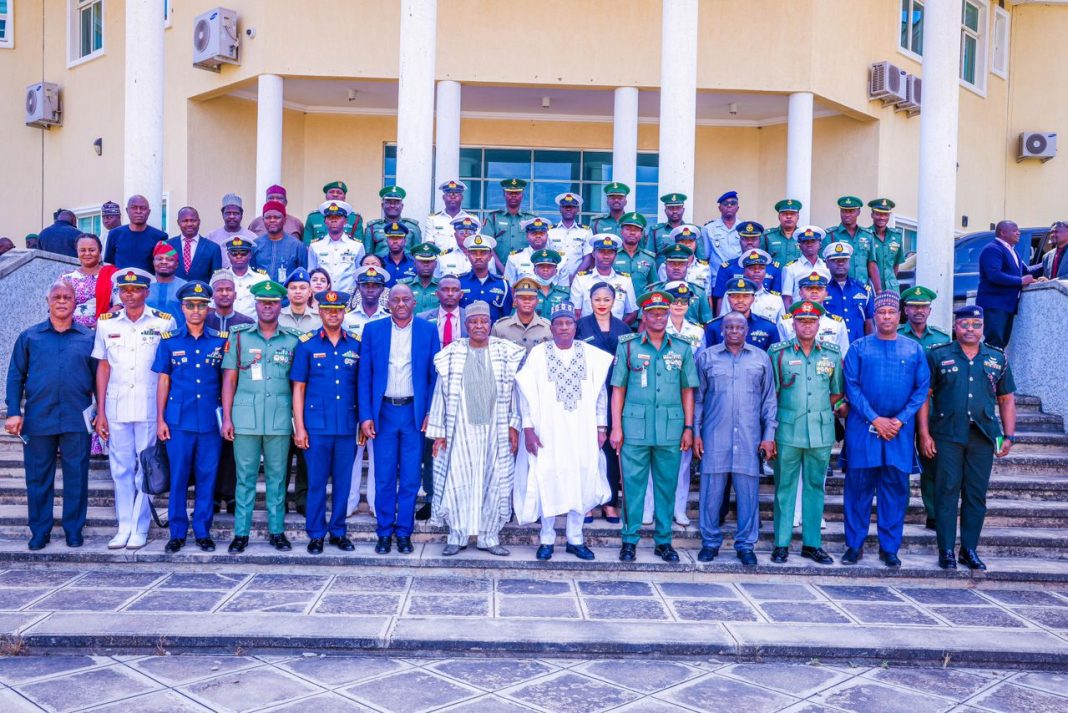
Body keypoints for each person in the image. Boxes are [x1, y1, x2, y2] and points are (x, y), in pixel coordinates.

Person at [918, 305, 1018, 571]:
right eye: (965, 325)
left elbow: (1006, 399)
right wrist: (924, 434)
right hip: (947, 434)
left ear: (983, 327)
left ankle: (969, 549)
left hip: (984, 436)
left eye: (976, 325)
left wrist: (1008, 436)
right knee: (946, 491)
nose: (970, 329)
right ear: (955, 326)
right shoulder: (938, 356)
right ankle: (947, 550)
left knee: (976, 494)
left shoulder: (997, 358)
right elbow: (924, 398)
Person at [514, 302, 613, 561]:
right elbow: (525, 393)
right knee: (548, 477)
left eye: (569, 323)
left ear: (575, 326)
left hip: (582, 431)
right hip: (547, 431)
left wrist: (601, 426)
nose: (564, 327)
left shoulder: (590, 355)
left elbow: (600, 393)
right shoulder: (538, 354)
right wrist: (528, 429)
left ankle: (575, 539)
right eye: (559, 323)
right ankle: (546, 538)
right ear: (552, 327)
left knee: (580, 479)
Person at [840, 291, 930, 568]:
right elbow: (851, 387)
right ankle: (854, 545)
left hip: (898, 432)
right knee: (858, 490)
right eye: (881, 313)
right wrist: (875, 418)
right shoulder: (858, 348)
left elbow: (921, 389)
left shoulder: (913, 349)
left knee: (895, 490)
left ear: (899, 315)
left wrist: (900, 420)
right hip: (863, 429)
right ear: (875, 316)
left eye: (891, 312)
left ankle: (889, 548)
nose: (887, 317)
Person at [6, 280, 96, 550]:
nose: (61, 301)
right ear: (47, 301)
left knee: (77, 476)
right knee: (37, 477)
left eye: (66, 297)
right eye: (56, 296)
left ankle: (73, 530)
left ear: (74, 302)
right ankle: (40, 531)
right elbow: (15, 376)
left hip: (76, 418)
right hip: (39, 417)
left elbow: (100, 379)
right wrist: (13, 412)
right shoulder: (30, 337)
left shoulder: (88, 338)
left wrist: (100, 412)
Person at [429, 301, 524, 556]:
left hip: (495, 429)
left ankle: (489, 537)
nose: (479, 326)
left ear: (490, 324)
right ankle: (457, 535)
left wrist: (514, 426)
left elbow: (515, 392)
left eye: (483, 321)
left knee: (494, 482)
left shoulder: (506, 352)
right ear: (466, 325)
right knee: (458, 480)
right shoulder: (452, 353)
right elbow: (440, 393)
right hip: (461, 430)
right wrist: (439, 432)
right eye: (474, 322)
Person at [610, 290, 698, 563]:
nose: (658, 317)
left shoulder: (682, 348)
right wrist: (616, 427)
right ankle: (629, 540)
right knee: (633, 488)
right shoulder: (628, 346)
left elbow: (688, 390)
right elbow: (618, 389)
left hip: (671, 429)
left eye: (663, 313)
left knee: (666, 486)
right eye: (653, 313)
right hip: (634, 427)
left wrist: (688, 427)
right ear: (644, 317)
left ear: (669, 314)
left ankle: (664, 541)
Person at [92, 268, 177, 550]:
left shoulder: (163, 323)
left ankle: (140, 527)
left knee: (146, 467)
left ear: (146, 292)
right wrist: (100, 410)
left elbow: (167, 370)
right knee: (120, 468)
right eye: (124, 290)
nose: (129, 295)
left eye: (135, 289)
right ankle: (123, 525)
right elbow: (103, 366)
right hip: (116, 406)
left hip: (149, 405)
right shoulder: (106, 324)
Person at [220, 280, 301, 553]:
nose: (267, 306)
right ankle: (241, 533)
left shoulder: (292, 339)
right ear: (255, 304)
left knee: (278, 478)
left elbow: (297, 384)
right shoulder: (240, 337)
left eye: (273, 302)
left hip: (279, 419)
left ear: (281, 305)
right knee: (245, 478)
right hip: (245, 418)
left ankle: (276, 531)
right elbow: (229, 380)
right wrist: (227, 418)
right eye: (263, 302)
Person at [359, 283, 440, 554]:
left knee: (409, 478)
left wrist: (430, 411)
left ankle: (404, 532)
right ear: (388, 303)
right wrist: (366, 415)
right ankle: (384, 531)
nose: (401, 304)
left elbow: (433, 377)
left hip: (413, 413)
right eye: (396, 299)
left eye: (406, 299)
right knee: (382, 476)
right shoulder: (373, 330)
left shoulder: (428, 330)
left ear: (414, 303)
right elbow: (365, 376)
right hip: (383, 411)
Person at [693, 311, 777, 566]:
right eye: (729, 327)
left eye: (739, 327)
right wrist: (695, 433)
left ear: (747, 331)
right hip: (714, 435)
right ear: (722, 330)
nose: (734, 331)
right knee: (710, 493)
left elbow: (769, 401)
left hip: (750, 437)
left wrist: (768, 436)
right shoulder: (707, 357)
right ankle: (710, 542)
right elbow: (698, 400)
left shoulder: (761, 359)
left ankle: (745, 544)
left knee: (748, 494)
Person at [152, 281, 227, 554]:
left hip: (209, 422)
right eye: (190, 305)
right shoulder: (170, 341)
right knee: (179, 478)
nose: (196, 310)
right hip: (178, 421)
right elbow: (163, 382)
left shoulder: (221, 341)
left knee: (207, 478)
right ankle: (177, 532)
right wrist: (160, 419)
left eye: (201, 305)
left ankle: (203, 531)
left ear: (208, 308)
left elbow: (227, 382)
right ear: (182, 308)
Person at [768, 300, 843, 565]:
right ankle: (781, 543)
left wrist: (818, 410)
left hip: (820, 432)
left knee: (815, 487)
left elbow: (836, 392)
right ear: (794, 324)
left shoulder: (831, 354)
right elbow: (772, 393)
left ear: (819, 324)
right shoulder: (778, 353)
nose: (807, 325)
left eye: (812, 321)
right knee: (784, 488)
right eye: (802, 321)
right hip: (787, 430)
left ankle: (812, 544)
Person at [291, 289, 359, 554]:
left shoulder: (355, 344)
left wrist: (361, 423)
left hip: (346, 426)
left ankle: (338, 531)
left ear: (344, 312)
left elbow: (361, 385)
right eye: (328, 310)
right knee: (317, 482)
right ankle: (316, 533)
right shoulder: (307, 344)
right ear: (319, 312)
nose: (333, 314)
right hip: (316, 427)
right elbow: (298, 388)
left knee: (343, 483)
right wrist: (300, 427)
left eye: (338, 310)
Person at [642, 281, 704, 528]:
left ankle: (678, 509)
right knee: (649, 460)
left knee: (682, 462)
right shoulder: (654, 323)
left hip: (684, 398)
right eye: (675, 302)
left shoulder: (698, 331)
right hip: (656, 397)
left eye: (683, 301)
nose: (679, 305)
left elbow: (701, 366)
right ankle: (648, 509)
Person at [576, 282, 631, 523]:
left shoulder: (624, 327)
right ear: (590, 300)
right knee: (585, 447)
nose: (601, 303)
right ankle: (586, 502)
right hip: (587, 393)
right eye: (597, 299)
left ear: (614, 301)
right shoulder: (580, 325)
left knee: (611, 448)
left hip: (615, 392)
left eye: (606, 299)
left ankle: (610, 502)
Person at [898, 285, 952, 530]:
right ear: (905, 310)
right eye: (913, 306)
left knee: (932, 465)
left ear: (929, 310)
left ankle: (933, 512)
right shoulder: (896, 335)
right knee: (899, 465)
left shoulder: (942, 339)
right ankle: (898, 511)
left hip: (931, 411)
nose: (918, 311)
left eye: (923, 307)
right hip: (899, 410)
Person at [344, 265, 392, 519]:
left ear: (382, 289)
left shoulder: (388, 318)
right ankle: (349, 502)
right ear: (359, 288)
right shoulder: (348, 318)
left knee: (378, 453)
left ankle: (375, 503)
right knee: (353, 452)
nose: (370, 289)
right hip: (351, 389)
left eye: (375, 285)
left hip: (380, 392)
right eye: (366, 285)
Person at [976, 220, 1041, 348]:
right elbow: (994, 275)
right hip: (994, 305)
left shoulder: (1012, 251)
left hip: (1007, 306)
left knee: (1001, 343)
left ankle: (998, 367)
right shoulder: (992, 249)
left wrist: (1048, 260)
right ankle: (990, 368)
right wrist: (1020, 281)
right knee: (994, 343)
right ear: (1002, 232)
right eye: (1015, 230)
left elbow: (1027, 271)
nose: (1019, 232)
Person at [570, 234, 638, 324]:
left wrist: (618, 329)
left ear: (615, 255)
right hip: (588, 334)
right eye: (602, 252)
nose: (606, 256)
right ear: (593, 254)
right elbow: (576, 313)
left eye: (610, 252)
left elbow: (632, 313)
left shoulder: (625, 280)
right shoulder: (581, 279)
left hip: (615, 335)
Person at [777, 271, 850, 354]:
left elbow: (843, 355)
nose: (814, 291)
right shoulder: (786, 322)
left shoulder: (837, 323)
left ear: (826, 293)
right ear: (800, 293)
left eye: (819, 288)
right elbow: (780, 355)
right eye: (809, 288)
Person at [705, 277, 779, 352]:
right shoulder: (714, 327)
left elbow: (774, 359)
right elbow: (708, 357)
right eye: (735, 296)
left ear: (753, 298)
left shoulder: (768, 327)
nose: (740, 300)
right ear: (728, 298)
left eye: (746, 296)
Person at [308, 201, 365, 294]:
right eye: (330, 217)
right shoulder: (315, 246)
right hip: (322, 299)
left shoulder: (357, 246)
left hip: (348, 299)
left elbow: (360, 277)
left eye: (338, 217)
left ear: (345, 221)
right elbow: (311, 275)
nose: (333, 220)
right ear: (325, 221)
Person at [822, 241, 874, 344]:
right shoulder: (821, 291)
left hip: (858, 346)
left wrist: (869, 346)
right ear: (827, 264)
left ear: (849, 262)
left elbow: (869, 321)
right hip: (831, 348)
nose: (840, 263)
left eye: (844, 260)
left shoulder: (863, 290)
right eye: (835, 260)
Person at [714, 250, 784, 323]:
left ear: (765, 271)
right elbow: (723, 323)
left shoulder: (776, 299)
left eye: (761, 268)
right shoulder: (731, 295)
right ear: (744, 271)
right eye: (752, 268)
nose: (757, 271)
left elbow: (782, 329)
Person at [103, 196, 169, 273]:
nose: (138, 211)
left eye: (143, 208)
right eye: (134, 208)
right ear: (127, 211)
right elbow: (111, 263)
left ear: (149, 212)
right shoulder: (114, 234)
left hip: (149, 283)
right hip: (120, 282)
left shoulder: (160, 237)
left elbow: (166, 261)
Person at [823, 195, 878, 289]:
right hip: (838, 287)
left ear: (858, 212)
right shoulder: (830, 235)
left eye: (851, 211)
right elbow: (824, 264)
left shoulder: (867, 235)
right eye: (844, 211)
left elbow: (872, 264)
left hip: (863, 287)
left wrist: (878, 290)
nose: (847, 214)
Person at [482, 178, 536, 272]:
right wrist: (502, 269)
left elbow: (536, 246)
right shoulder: (493, 217)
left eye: (517, 193)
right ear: (504, 194)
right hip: (497, 272)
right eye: (510, 193)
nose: (513, 196)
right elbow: (487, 246)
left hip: (525, 271)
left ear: (522, 195)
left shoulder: (531, 219)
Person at [65, 233, 118, 329]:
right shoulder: (67, 277)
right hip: (70, 331)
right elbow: (57, 303)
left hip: (103, 329)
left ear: (100, 251)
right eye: (82, 250)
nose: (87, 254)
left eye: (92, 250)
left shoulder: (112, 275)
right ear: (77, 252)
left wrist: (102, 323)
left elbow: (119, 305)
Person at [655, 244, 713, 325]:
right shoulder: (655, 291)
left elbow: (706, 323)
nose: (676, 268)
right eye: (672, 264)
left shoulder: (698, 292)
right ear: (665, 266)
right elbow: (644, 323)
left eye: (681, 264)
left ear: (687, 266)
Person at [459, 234, 513, 322]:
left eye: (483, 253)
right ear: (468, 255)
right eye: (473, 253)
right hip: (465, 334)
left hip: (493, 334)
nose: (478, 257)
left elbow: (506, 316)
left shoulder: (502, 284)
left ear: (490, 256)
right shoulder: (459, 282)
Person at [492, 277, 552, 354]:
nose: (527, 301)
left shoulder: (548, 328)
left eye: (531, 298)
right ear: (515, 300)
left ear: (537, 302)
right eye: (522, 298)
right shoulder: (499, 328)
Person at [253, 201, 309, 284]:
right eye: (268, 217)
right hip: (261, 294)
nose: (272, 220)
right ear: (263, 220)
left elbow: (303, 275)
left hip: (287, 295)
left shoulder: (297, 246)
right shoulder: (255, 245)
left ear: (284, 220)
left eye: (276, 217)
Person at [547, 192, 592, 283]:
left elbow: (588, 258)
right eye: (565, 207)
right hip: (554, 280)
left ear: (577, 209)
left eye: (571, 207)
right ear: (560, 209)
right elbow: (546, 255)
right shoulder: (550, 231)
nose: (568, 209)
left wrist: (576, 276)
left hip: (578, 280)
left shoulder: (586, 231)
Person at [168, 207, 223, 283]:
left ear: (199, 222)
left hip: (202, 293)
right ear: (178, 222)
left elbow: (216, 280)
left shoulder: (213, 248)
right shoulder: (168, 246)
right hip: (173, 293)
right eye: (185, 221)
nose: (189, 224)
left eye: (193, 220)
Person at [364, 185, 421, 258]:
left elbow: (418, 255)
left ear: (402, 206)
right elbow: (368, 255)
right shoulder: (372, 227)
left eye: (396, 202)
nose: (392, 205)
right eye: (388, 202)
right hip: (380, 268)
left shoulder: (413, 227)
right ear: (382, 205)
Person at [423, 180, 475, 255]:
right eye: (449, 195)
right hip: (440, 263)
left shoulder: (472, 219)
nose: (452, 197)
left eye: (456, 195)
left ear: (462, 197)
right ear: (443, 198)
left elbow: (475, 244)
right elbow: (430, 244)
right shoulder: (433, 219)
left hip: (465, 262)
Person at [206, 194, 257, 268]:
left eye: (236, 213)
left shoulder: (252, 237)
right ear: (222, 215)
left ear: (241, 215)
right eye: (228, 213)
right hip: (219, 278)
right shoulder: (211, 237)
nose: (232, 216)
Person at [780, 226, 828, 305]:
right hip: (800, 315)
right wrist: (792, 317)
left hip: (824, 314)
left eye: (813, 241)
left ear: (820, 244)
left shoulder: (828, 266)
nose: (809, 244)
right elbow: (787, 299)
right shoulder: (790, 268)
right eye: (805, 241)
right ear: (799, 246)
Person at [614, 213, 658, 297]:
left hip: (641, 306)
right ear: (621, 232)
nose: (632, 233)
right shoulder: (613, 255)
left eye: (637, 230)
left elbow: (654, 287)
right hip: (618, 305)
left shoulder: (649, 258)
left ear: (641, 234)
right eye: (628, 229)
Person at [304, 181, 362, 245]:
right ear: (326, 196)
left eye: (339, 192)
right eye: (331, 192)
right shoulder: (313, 218)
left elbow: (359, 244)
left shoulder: (354, 218)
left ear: (344, 197)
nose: (335, 194)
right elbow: (307, 244)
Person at [867, 198, 905, 293]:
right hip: (871, 289)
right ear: (872, 215)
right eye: (878, 214)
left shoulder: (896, 236)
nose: (882, 218)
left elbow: (896, 264)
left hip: (892, 289)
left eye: (885, 214)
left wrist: (891, 282)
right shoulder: (865, 236)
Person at [224, 237, 269, 317]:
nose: (238, 256)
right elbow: (212, 306)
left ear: (250, 254)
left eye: (243, 253)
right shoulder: (220, 278)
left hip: (253, 327)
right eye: (234, 253)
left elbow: (268, 306)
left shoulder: (261, 278)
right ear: (228, 255)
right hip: (226, 327)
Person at [147, 242, 188, 328]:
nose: (164, 262)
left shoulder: (185, 287)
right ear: (153, 262)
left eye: (169, 259)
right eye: (159, 259)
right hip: (147, 336)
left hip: (177, 337)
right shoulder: (144, 286)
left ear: (176, 264)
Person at [701, 190, 741, 276]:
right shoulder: (708, 229)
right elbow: (705, 257)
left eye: (733, 203)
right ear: (719, 208)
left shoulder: (743, 228)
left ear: (738, 208)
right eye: (725, 204)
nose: (729, 206)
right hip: (716, 277)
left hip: (739, 277)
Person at [504, 217, 552, 286]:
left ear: (547, 236)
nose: (538, 236)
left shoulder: (557, 259)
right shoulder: (514, 258)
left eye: (542, 233)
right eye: (534, 233)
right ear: (527, 236)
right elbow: (509, 287)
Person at [648, 193, 698, 258]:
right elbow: (649, 257)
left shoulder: (692, 230)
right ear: (665, 211)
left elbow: (700, 257)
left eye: (678, 208)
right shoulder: (656, 231)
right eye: (671, 208)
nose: (675, 211)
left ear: (683, 210)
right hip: (662, 267)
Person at [398, 242, 442, 313]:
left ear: (436, 264)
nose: (426, 265)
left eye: (429, 261)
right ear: (414, 263)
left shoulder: (442, 286)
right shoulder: (404, 286)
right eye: (422, 261)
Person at [529, 249, 571, 318]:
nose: (545, 269)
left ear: (556, 271)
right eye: (541, 266)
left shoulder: (564, 293)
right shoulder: (527, 293)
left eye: (549, 266)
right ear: (534, 270)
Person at [278, 267, 322, 333]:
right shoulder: (277, 317)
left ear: (310, 292)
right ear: (287, 292)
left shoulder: (320, 319)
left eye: (303, 288)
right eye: (293, 288)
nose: (298, 291)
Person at [761, 199, 803, 266]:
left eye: (792, 214)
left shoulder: (803, 236)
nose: (789, 217)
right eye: (785, 214)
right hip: (775, 275)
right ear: (779, 217)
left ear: (798, 217)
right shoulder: (767, 236)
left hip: (797, 275)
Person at [380, 222, 417, 286]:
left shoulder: (415, 264)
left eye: (399, 238)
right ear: (387, 241)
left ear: (405, 241)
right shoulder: (380, 264)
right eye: (391, 238)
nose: (395, 241)